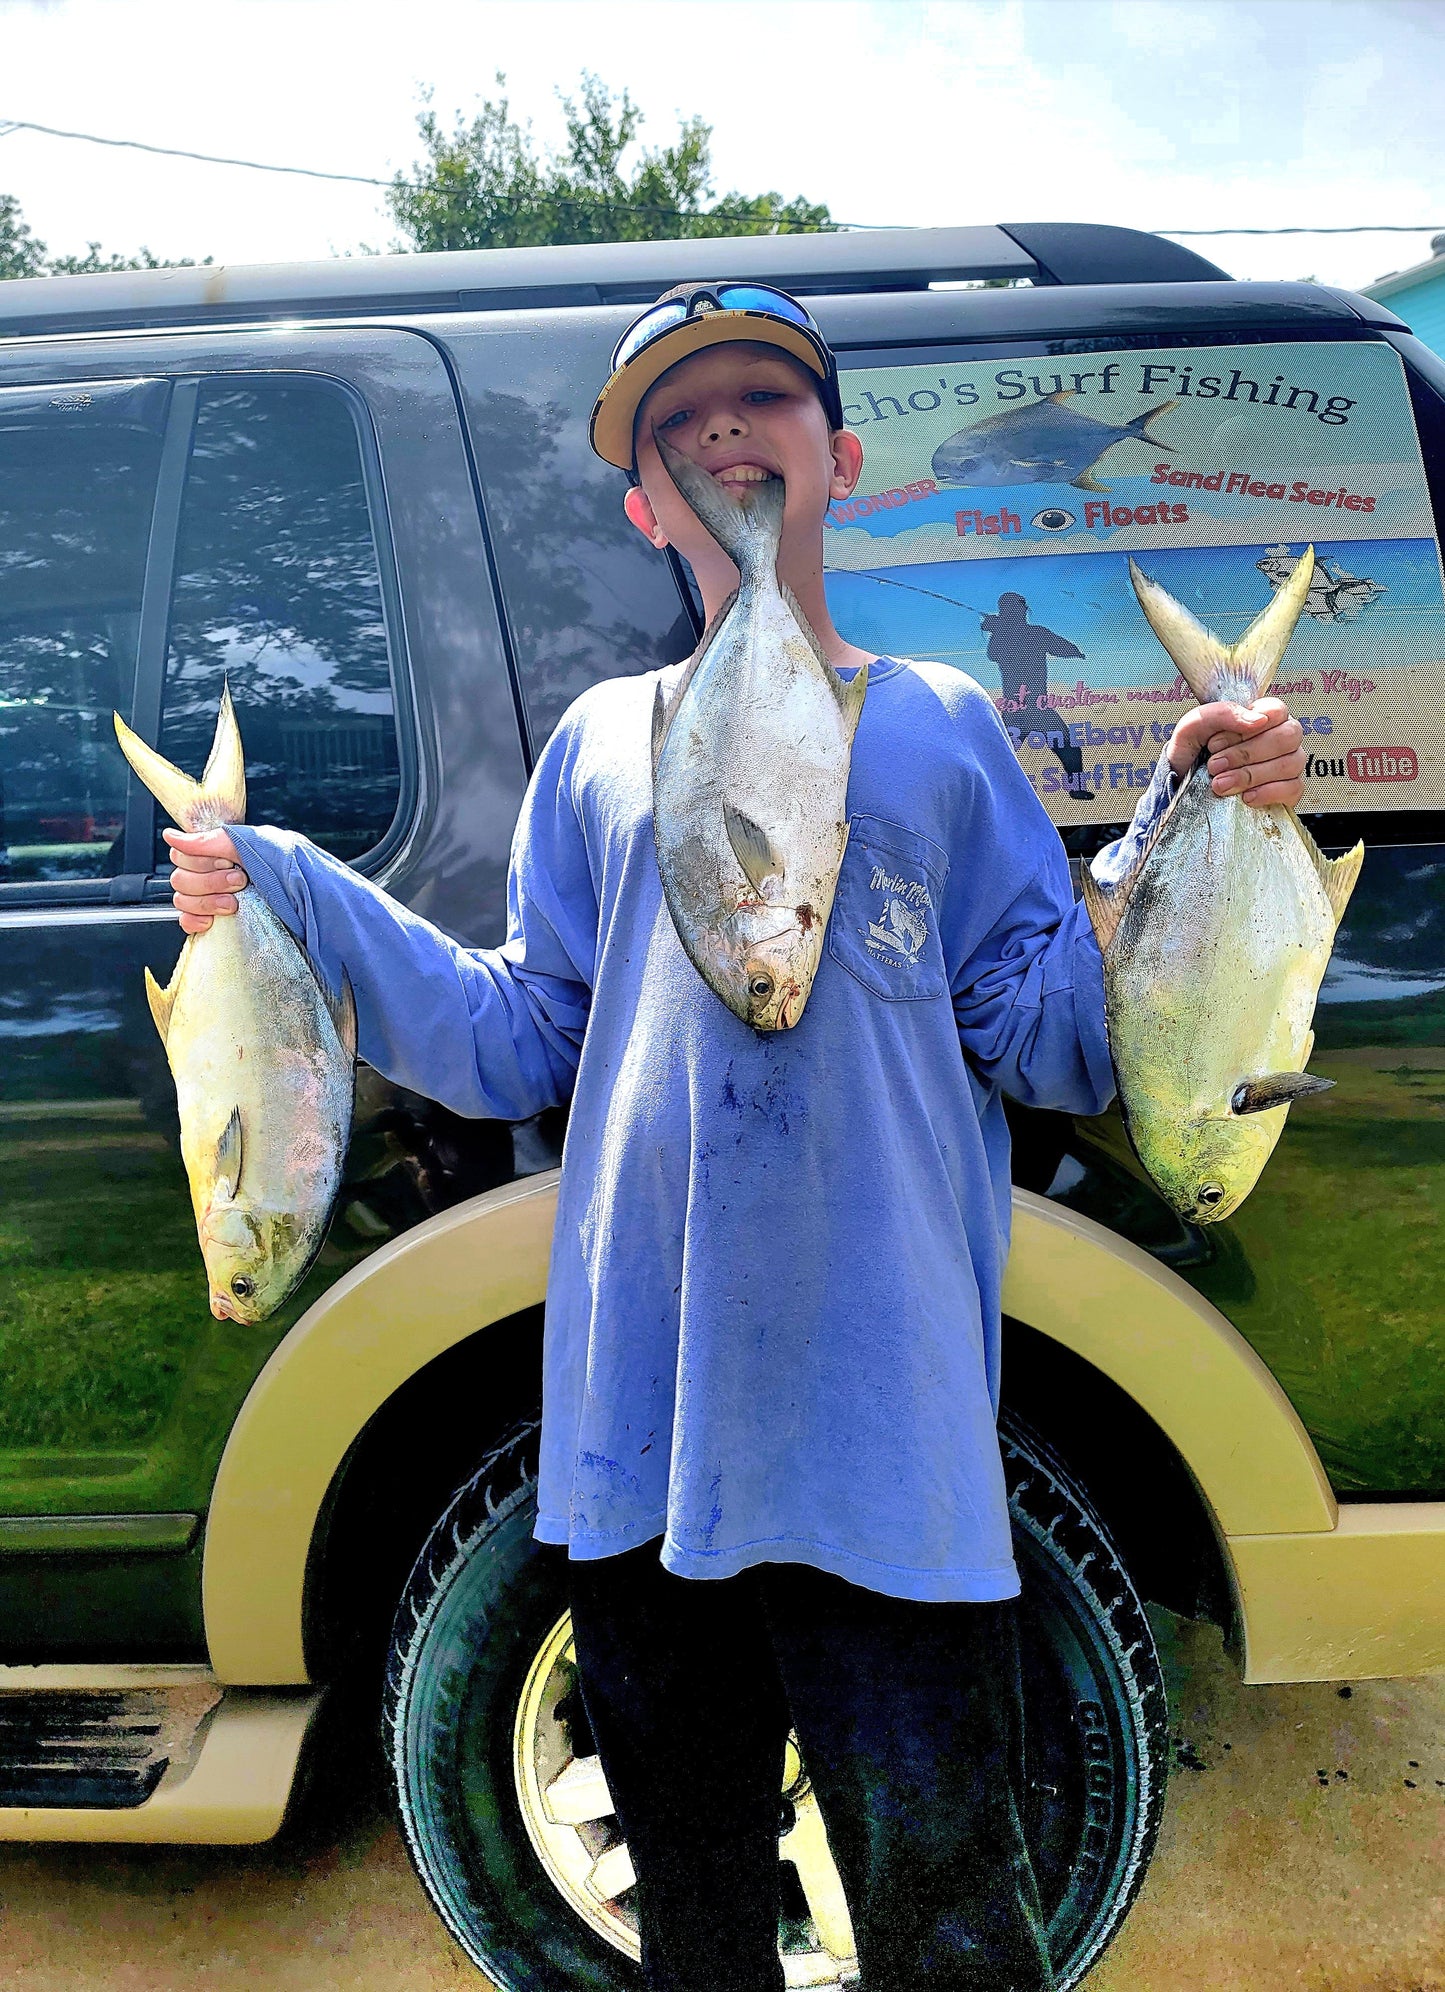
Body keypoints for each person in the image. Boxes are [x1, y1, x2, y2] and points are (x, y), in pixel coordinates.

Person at [165, 283, 1306, 1992]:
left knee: (949, 1923)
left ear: (836, 457)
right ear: (641, 503)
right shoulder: (597, 746)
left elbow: (1051, 1030)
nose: (721, 428)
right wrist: (293, 892)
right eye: (672, 420)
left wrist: (1198, 810)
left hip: (891, 1448)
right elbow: (516, 1035)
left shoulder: (939, 722)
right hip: (643, 1451)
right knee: (696, 1924)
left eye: (763, 397)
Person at [979, 591, 1091, 798]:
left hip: (1026, 708)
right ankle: (1077, 789)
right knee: (1067, 747)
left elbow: (1063, 647)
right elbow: (994, 654)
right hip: (1026, 708)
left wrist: (997, 628)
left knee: (1066, 747)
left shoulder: (1024, 634)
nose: (1016, 613)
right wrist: (998, 629)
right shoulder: (1029, 634)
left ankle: (1077, 788)